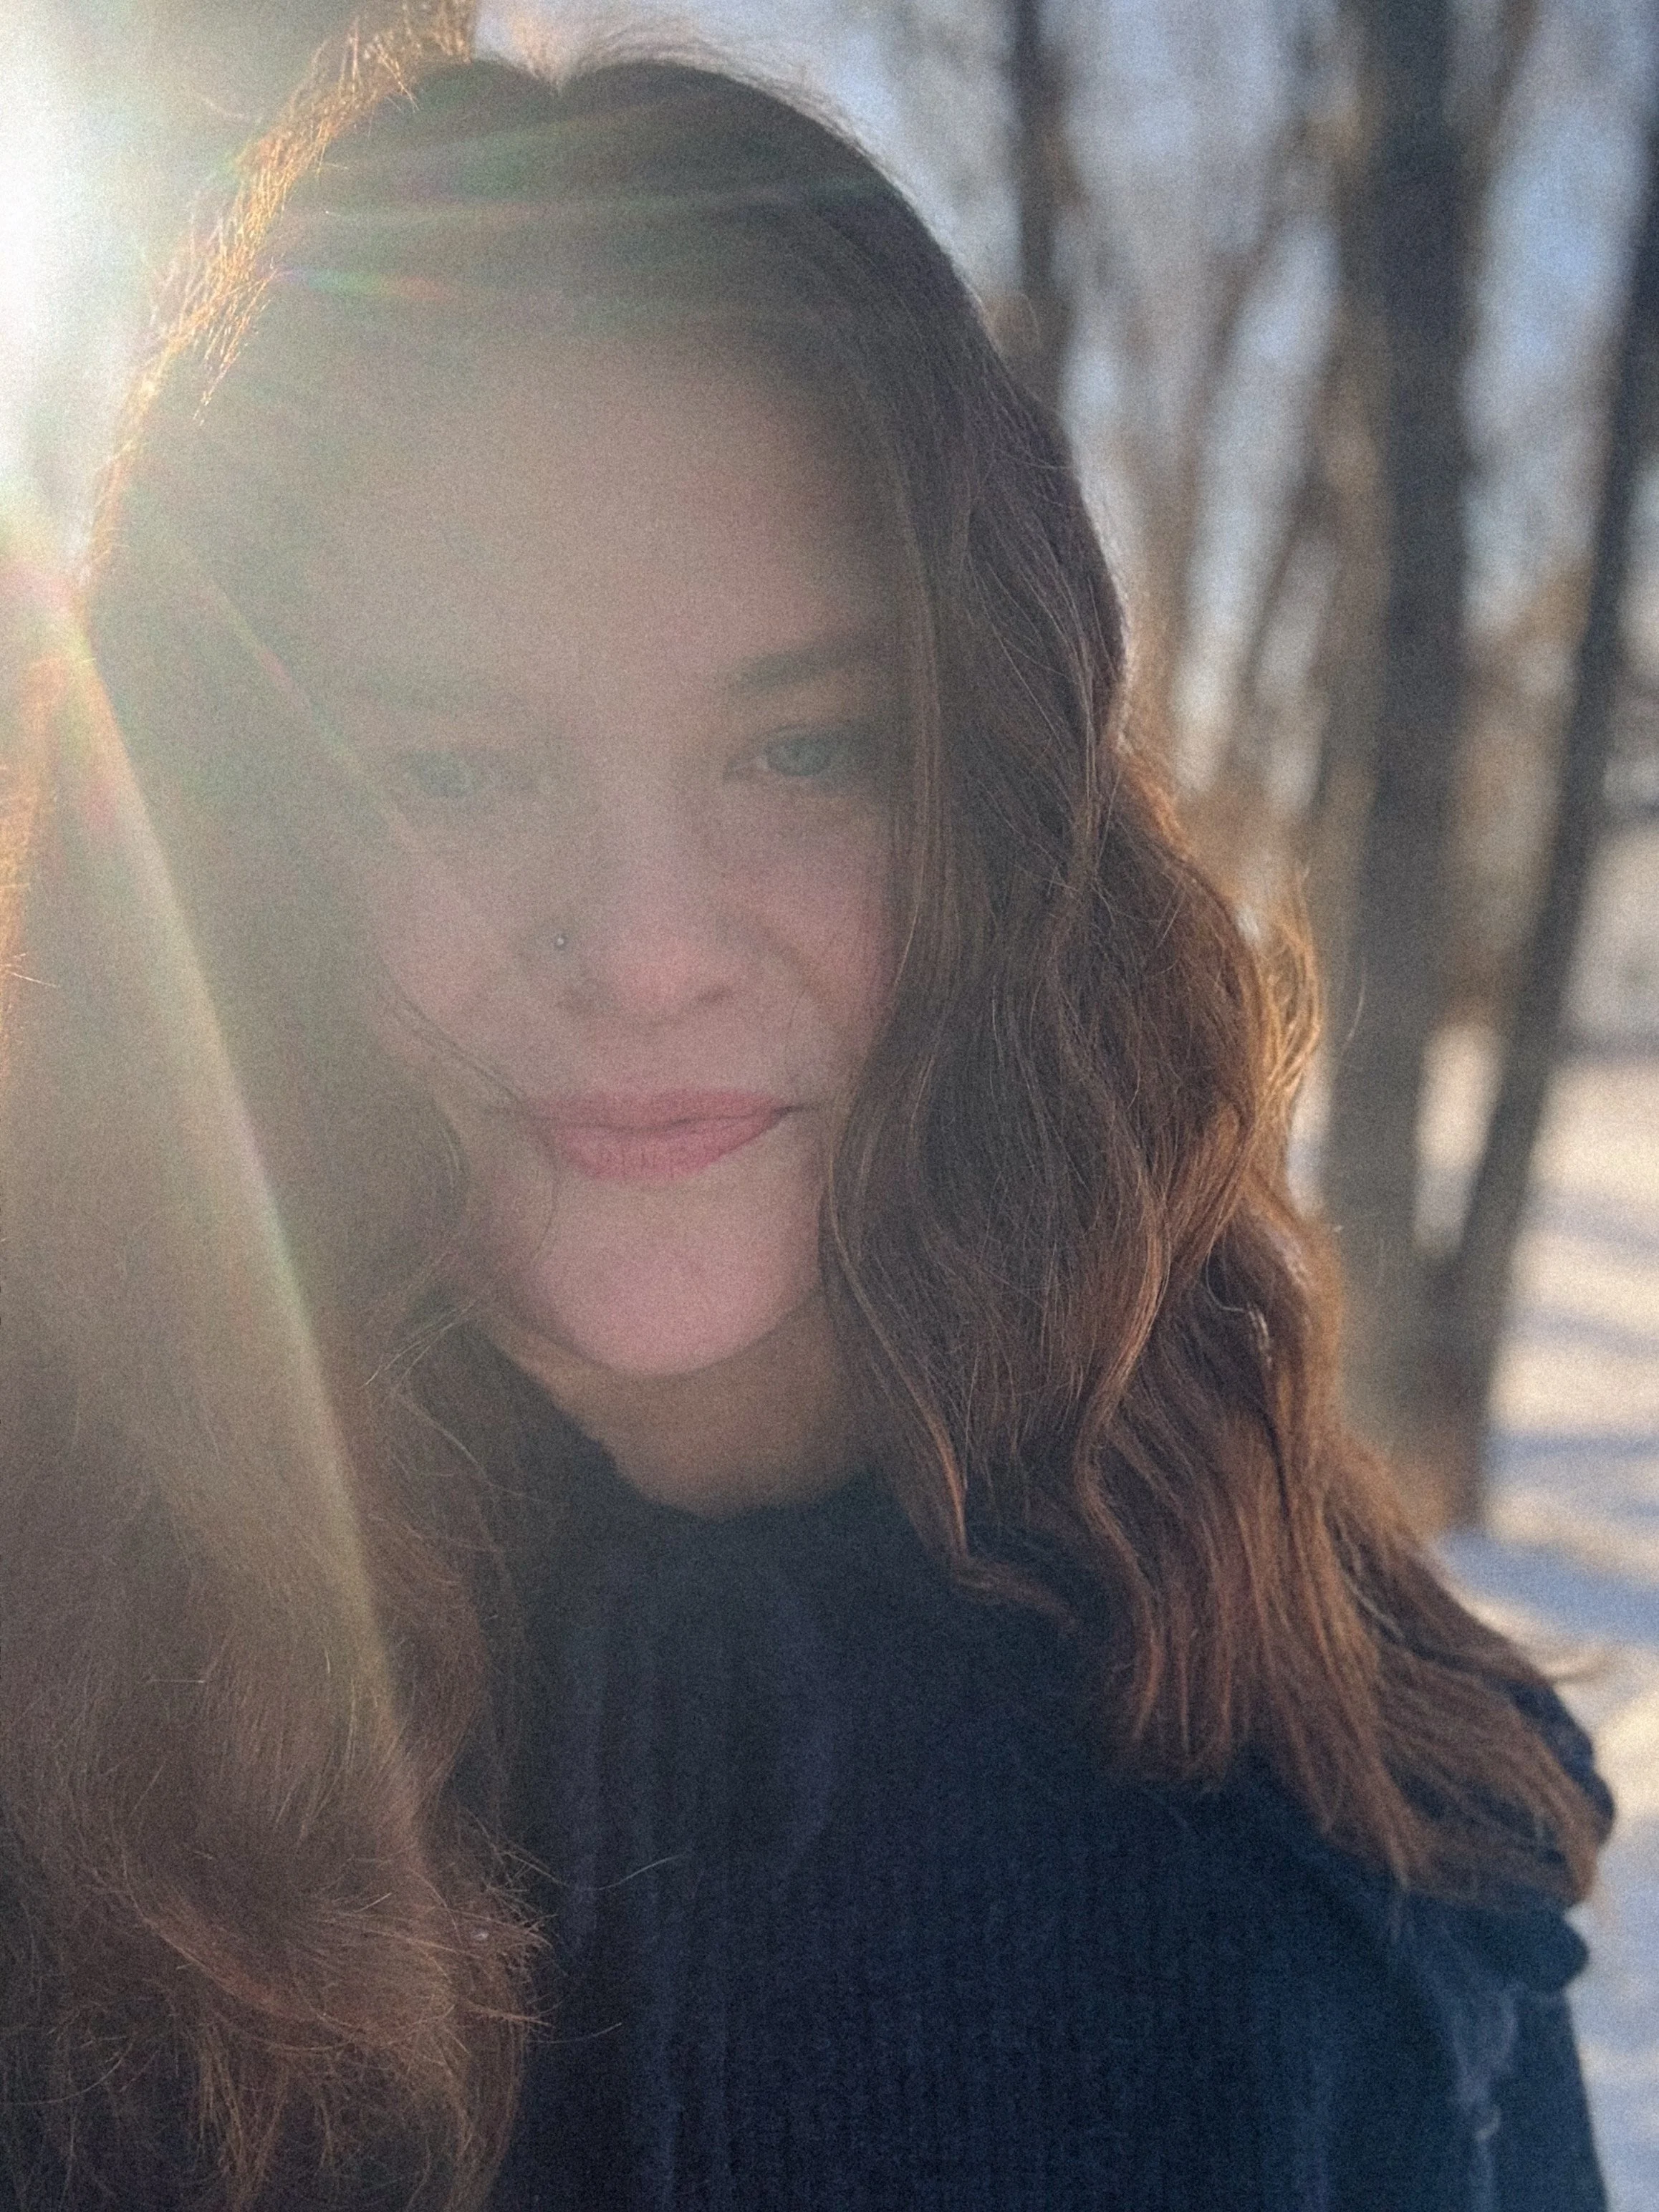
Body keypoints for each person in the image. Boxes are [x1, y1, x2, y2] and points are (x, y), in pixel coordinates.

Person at [0, 5, 1614, 2208]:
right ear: (232, 841)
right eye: (455, 773)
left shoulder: (1324, 1763)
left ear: (994, 800)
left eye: (806, 749)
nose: (647, 946)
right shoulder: (64, 1680)